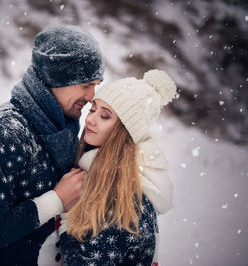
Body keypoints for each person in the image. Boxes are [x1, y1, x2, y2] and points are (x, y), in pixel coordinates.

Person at [0, 25, 105, 265]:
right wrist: (56, 200)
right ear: (56, 78)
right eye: (85, 84)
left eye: (95, 85)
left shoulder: (67, 124)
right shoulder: (4, 132)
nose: (91, 96)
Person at [59, 69, 176, 265]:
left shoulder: (122, 196)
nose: (90, 119)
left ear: (124, 132)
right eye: (93, 109)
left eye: (105, 116)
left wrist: (66, 217)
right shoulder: (106, 177)